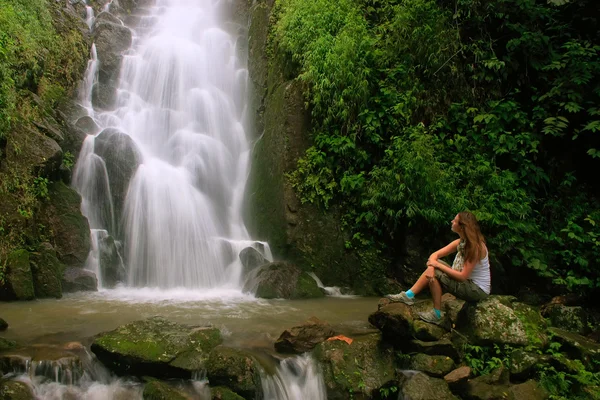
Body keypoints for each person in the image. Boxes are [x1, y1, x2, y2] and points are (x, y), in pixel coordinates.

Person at [385, 211, 491, 325]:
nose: (451, 221)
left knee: (436, 269)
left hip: (476, 290)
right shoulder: (461, 242)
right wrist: (432, 266)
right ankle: (410, 297)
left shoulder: (475, 248)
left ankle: (432, 311)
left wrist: (436, 266)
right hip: (467, 283)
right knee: (435, 267)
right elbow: (435, 255)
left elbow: (462, 276)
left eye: (454, 221)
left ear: (461, 227)